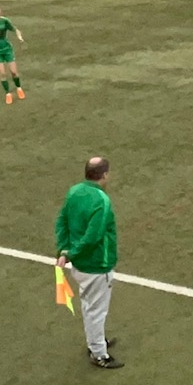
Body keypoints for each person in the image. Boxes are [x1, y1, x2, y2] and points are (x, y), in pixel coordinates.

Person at [54, 157, 122, 369]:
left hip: (80, 266)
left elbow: (62, 221)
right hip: (97, 266)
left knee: (89, 305)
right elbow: (93, 236)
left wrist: (64, 250)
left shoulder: (74, 192)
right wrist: (71, 253)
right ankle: (99, 353)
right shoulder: (101, 200)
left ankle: (96, 342)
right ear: (104, 175)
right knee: (96, 311)